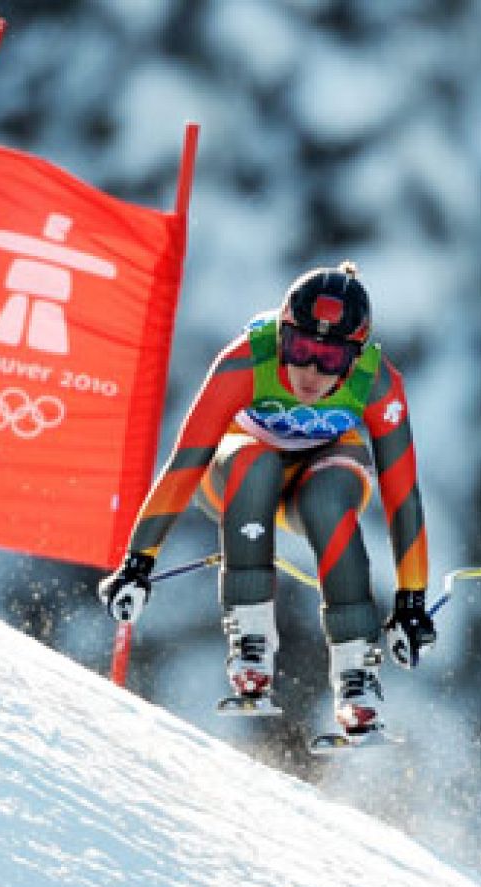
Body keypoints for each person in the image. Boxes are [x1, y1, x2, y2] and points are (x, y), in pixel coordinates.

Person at [98, 262, 436, 739]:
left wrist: (411, 600)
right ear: (280, 336)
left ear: (356, 357)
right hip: (236, 475)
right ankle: (251, 643)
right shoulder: (246, 360)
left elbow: (402, 494)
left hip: (317, 475)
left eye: (330, 358)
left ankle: (356, 676)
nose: (311, 372)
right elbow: (186, 461)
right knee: (255, 466)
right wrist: (138, 562)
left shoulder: (377, 383)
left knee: (328, 501)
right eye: (299, 349)